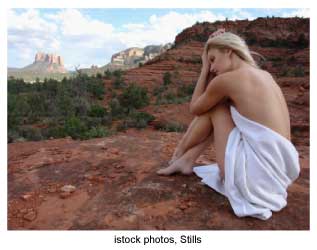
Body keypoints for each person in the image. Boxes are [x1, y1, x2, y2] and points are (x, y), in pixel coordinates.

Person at [156, 29, 300, 220]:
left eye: (213, 60)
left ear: (228, 51)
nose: (212, 67)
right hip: (277, 177)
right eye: (209, 63)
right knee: (221, 106)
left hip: (254, 180)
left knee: (215, 108)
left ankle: (180, 156)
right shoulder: (265, 75)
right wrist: (210, 57)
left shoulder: (226, 81)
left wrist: (203, 69)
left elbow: (195, 108)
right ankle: (185, 160)